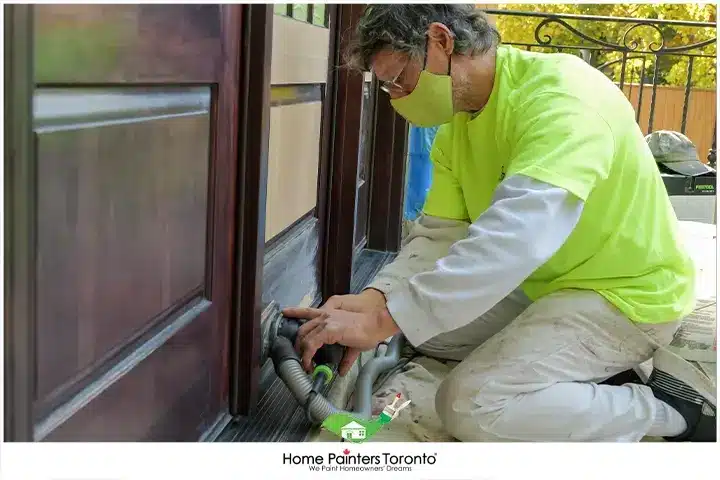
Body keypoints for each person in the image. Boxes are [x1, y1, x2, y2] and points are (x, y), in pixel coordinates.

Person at [282, 4, 716, 442]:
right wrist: (377, 299)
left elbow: (516, 240)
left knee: (469, 405)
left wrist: (381, 323)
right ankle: (582, 378)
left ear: (440, 42)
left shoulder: (562, 99)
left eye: (399, 80)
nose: (396, 97)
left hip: (627, 295)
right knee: (430, 333)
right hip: (548, 284)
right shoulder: (458, 128)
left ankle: (671, 412)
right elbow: (439, 237)